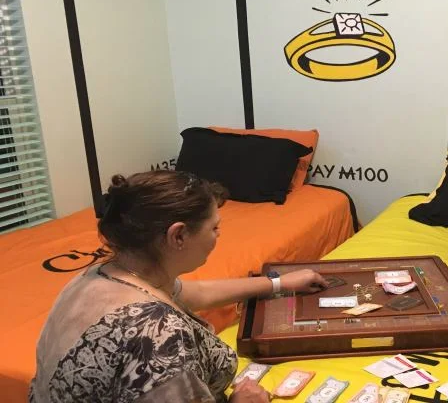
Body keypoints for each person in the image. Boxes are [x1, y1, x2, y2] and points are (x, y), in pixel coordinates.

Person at [30, 170, 327, 402]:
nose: (218, 235)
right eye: (214, 227)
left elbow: (192, 293)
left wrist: (278, 283)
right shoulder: (157, 333)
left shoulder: (101, 275)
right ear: (179, 236)